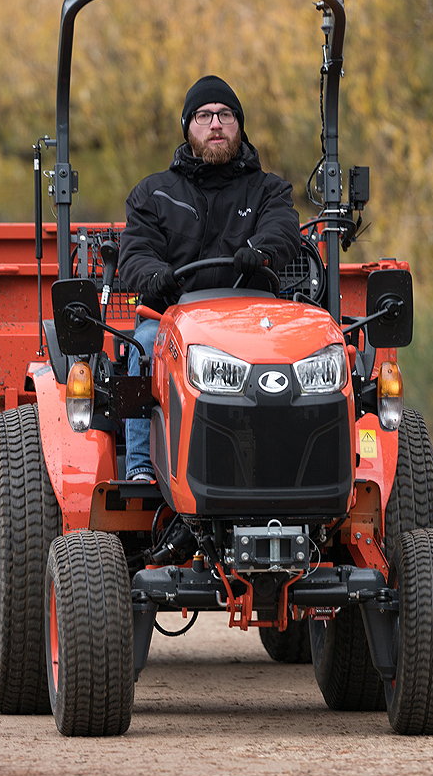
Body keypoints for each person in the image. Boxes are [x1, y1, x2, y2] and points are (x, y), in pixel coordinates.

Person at [117, 75, 301, 482]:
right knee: (144, 343)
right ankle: (143, 466)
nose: (215, 124)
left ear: (239, 125)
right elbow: (135, 254)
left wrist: (262, 252)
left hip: (252, 320)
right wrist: (154, 275)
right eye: (204, 116)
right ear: (188, 127)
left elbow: (283, 230)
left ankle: (290, 467)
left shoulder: (269, 191)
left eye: (225, 115)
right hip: (174, 320)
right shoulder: (153, 194)